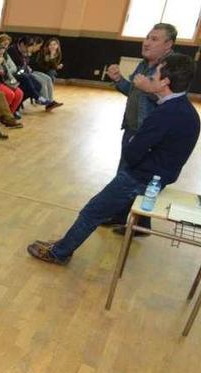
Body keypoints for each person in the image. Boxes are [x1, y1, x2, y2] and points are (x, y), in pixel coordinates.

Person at [28, 53, 200, 265]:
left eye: (155, 73)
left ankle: (60, 252)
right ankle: (65, 245)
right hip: (157, 176)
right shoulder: (186, 110)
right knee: (98, 211)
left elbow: (132, 152)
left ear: (165, 81)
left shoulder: (164, 113)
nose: (151, 75)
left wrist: (134, 141)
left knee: (92, 212)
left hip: (140, 177)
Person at [106, 23, 176, 174]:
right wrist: (118, 80)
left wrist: (149, 89)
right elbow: (134, 92)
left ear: (168, 44)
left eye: (154, 39)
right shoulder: (143, 64)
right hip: (131, 129)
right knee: (123, 174)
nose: (146, 43)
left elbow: (172, 103)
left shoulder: (173, 67)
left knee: (135, 179)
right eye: (147, 37)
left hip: (148, 136)